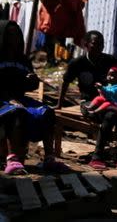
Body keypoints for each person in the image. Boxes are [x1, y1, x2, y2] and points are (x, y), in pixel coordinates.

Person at [58, 30, 117, 170]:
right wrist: (59, 104)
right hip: (90, 103)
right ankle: (97, 157)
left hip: (111, 101)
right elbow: (66, 82)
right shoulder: (78, 63)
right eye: (95, 44)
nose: (99, 47)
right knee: (110, 116)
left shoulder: (109, 60)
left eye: (101, 44)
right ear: (86, 45)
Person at [0, 20, 68, 174]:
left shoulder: (23, 60)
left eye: (17, 35)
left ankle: (49, 159)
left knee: (46, 111)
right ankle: (13, 159)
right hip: (3, 100)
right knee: (16, 111)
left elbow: (29, 85)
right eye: (10, 35)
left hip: (19, 99)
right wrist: (9, 98)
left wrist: (32, 81)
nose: (14, 38)